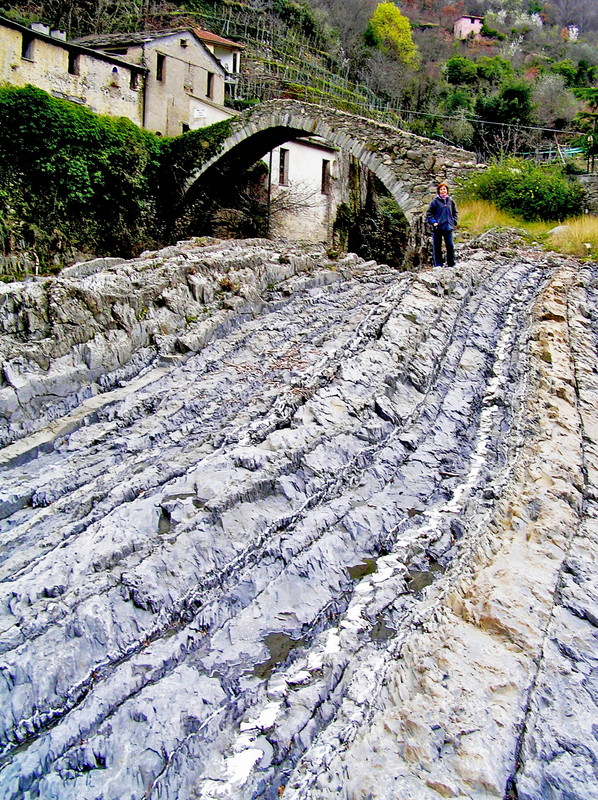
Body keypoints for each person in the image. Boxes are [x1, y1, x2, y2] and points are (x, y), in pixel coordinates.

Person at [426, 183, 458, 268]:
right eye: (441, 189)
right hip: (438, 228)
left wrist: (454, 221)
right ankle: (438, 265)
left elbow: (455, 212)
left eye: (444, 189)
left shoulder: (450, 201)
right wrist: (434, 222)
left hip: (448, 227)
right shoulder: (435, 201)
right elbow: (429, 214)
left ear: (447, 190)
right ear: (439, 191)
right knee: (437, 247)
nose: (443, 191)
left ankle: (451, 264)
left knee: (450, 245)